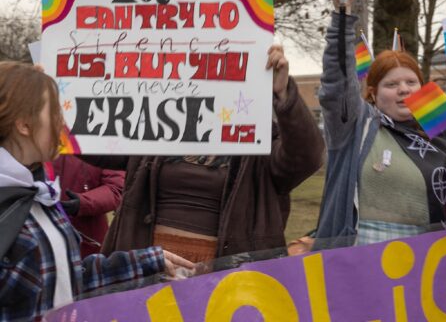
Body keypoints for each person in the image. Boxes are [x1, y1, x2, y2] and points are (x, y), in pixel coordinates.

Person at [81, 45, 324, 263]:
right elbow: (90, 145)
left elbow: (307, 157)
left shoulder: (257, 139)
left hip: (228, 280)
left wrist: (284, 94)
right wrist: (55, 95)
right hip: (148, 272)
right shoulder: (156, 127)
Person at [0, 62, 193, 321]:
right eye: (55, 111)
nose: (63, 122)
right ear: (24, 124)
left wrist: (146, 261)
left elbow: (67, 278)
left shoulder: (35, 195)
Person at [315, 0, 446, 247]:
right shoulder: (356, 128)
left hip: (423, 265)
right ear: (373, 93)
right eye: (391, 84)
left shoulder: (441, 138)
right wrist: (342, 17)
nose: (404, 89)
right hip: (356, 263)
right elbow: (337, 84)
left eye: (411, 82)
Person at [52, 156, 125, 257]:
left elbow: (117, 187)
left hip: (87, 242)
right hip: (37, 239)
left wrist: (83, 203)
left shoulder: (98, 144)